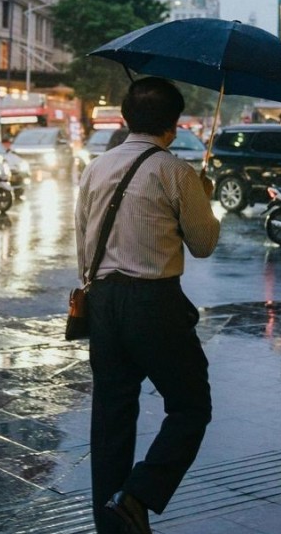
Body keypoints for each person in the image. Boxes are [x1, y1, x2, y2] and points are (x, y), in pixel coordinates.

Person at [75, 77, 220, 534]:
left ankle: (112, 526)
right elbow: (203, 244)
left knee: (111, 419)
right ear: (173, 125)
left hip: (102, 300)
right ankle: (137, 495)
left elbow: (82, 240)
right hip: (154, 302)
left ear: (125, 117)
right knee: (190, 405)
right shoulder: (176, 172)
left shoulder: (95, 168)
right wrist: (204, 199)